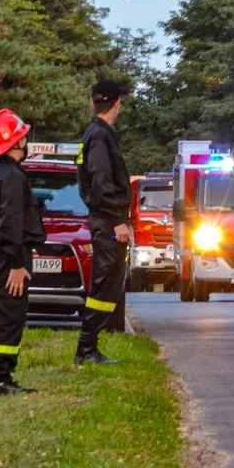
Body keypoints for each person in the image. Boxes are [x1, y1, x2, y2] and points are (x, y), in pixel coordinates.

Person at [0, 108, 44, 395]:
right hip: (11, 258)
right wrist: (17, 264)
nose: (26, 140)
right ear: (15, 142)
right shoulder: (13, 177)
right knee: (10, 317)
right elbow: (10, 224)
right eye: (23, 135)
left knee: (6, 315)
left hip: (3, 254)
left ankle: (1, 376)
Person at [75, 80, 132, 365]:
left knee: (109, 284)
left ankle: (89, 346)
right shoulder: (99, 136)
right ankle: (86, 348)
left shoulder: (98, 134)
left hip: (106, 219)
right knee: (105, 282)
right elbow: (101, 182)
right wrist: (118, 220)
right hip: (107, 221)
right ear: (117, 104)